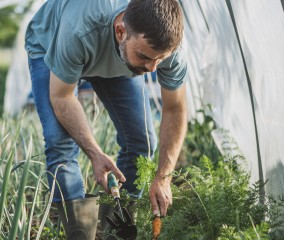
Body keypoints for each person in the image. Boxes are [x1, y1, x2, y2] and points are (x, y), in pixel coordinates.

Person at [25, 0, 187, 238]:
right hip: (50, 44)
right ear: (121, 31)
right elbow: (62, 97)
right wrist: (95, 153)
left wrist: (164, 176)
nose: (153, 69)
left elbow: (175, 109)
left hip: (118, 56)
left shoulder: (165, 48)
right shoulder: (80, 29)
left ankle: (116, 232)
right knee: (60, 145)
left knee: (141, 144)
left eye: (160, 60)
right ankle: (79, 235)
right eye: (145, 56)